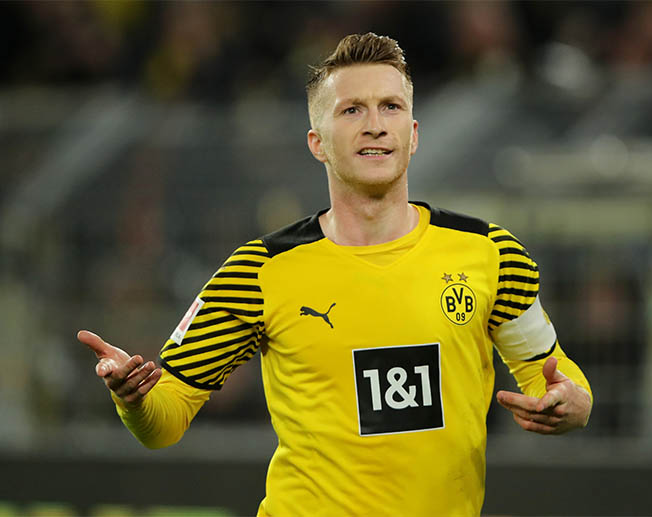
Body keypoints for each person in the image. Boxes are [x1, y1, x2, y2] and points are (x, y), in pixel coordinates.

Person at [78, 32, 592, 516]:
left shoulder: (490, 253)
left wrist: (574, 403)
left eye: (391, 106)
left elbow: (549, 372)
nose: (375, 125)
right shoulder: (258, 271)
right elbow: (165, 420)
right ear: (317, 142)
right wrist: (134, 400)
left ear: (413, 134)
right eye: (352, 110)